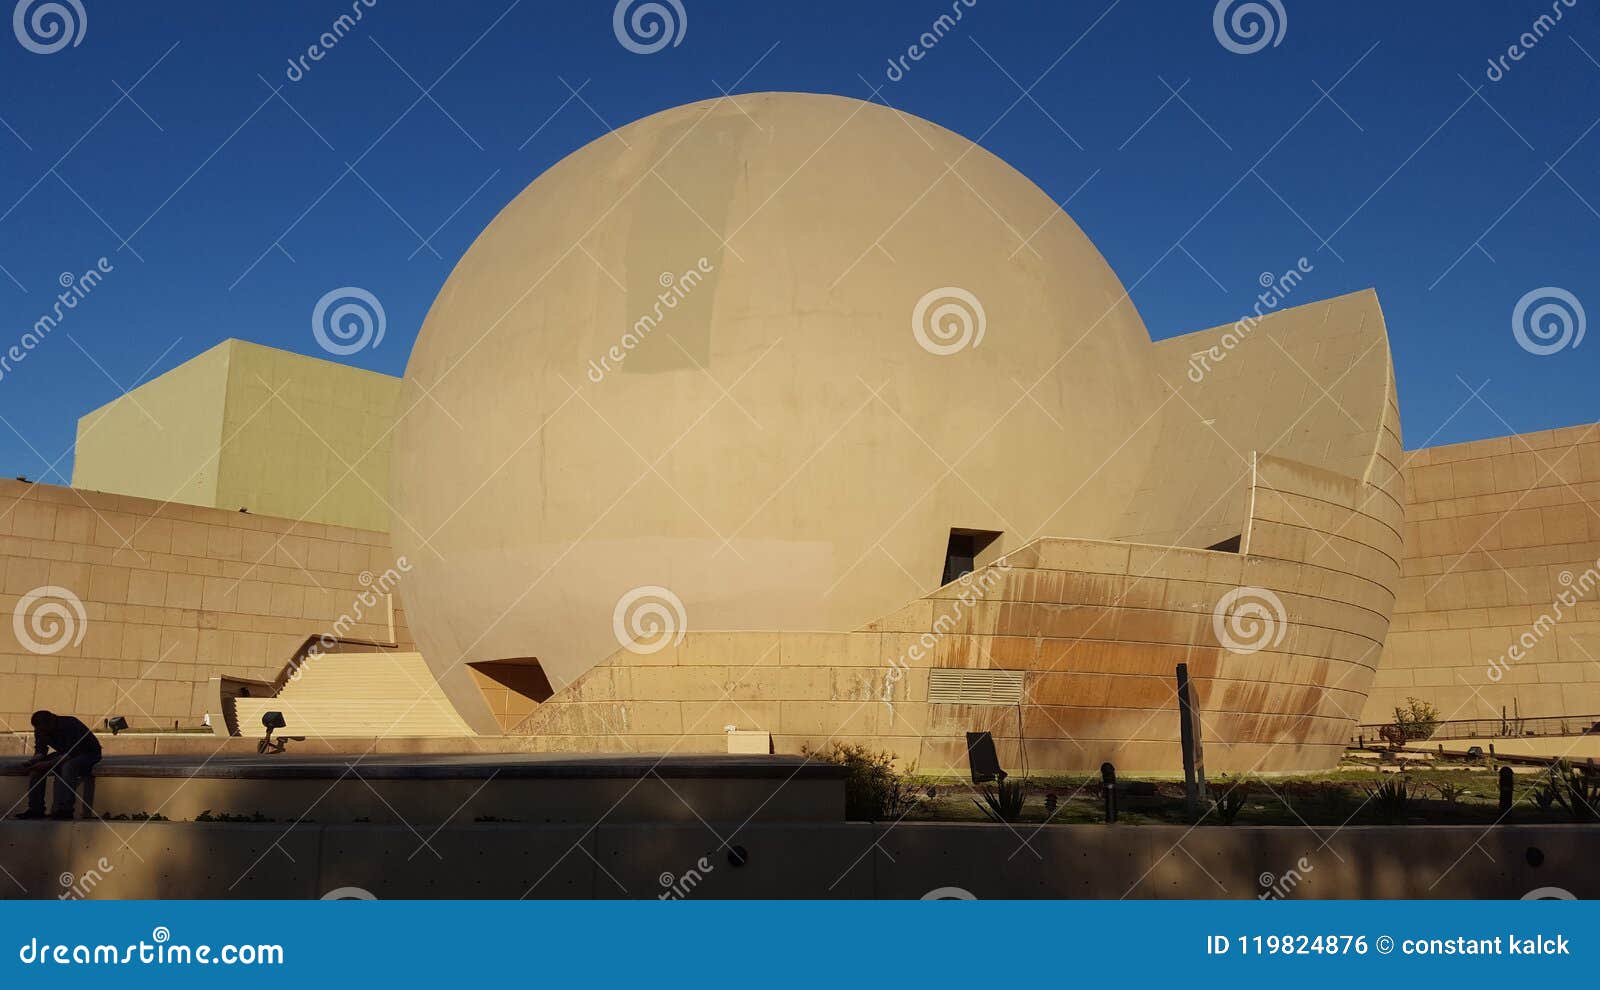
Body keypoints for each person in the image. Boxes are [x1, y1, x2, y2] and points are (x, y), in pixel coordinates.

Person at [14, 710, 101, 820]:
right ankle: (36, 809)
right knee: (36, 770)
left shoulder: (70, 724)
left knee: (68, 767)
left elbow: (70, 754)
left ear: (52, 722)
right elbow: (41, 751)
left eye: (45, 730)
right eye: (41, 730)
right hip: (64, 752)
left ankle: (66, 810)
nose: (43, 733)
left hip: (87, 753)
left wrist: (47, 764)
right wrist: (31, 763)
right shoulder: (40, 729)